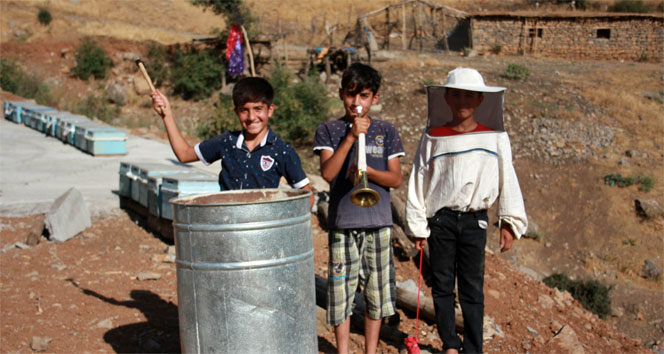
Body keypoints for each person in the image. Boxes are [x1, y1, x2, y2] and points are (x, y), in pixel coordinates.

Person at [405, 67, 527, 354]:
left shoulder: (494, 136)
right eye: (457, 94)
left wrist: (508, 221)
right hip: (441, 220)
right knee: (443, 285)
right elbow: (419, 179)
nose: (463, 101)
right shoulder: (434, 135)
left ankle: (473, 348)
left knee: (472, 288)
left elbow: (506, 174)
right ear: (447, 98)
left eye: (470, 95)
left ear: (480, 100)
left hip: (475, 221)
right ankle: (450, 344)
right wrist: (418, 226)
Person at [313, 63, 405, 354]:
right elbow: (328, 174)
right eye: (351, 95)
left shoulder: (386, 131)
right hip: (342, 224)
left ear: (374, 98)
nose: (356, 103)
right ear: (341, 94)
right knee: (340, 292)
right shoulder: (329, 129)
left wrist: (366, 172)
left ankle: (371, 350)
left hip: (378, 222)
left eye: (363, 96)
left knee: (376, 293)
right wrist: (351, 136)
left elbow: (396, 178)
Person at [150, 77, 312, 200]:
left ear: (270, 110)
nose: (251, 117)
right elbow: (184, 154)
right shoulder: (227, 142)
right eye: (244, 110)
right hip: (228, 226)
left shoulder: (282, 151)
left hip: (262, 231)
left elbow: (307, 194)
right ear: (236, 112)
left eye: (258, 109)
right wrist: (167, 115)